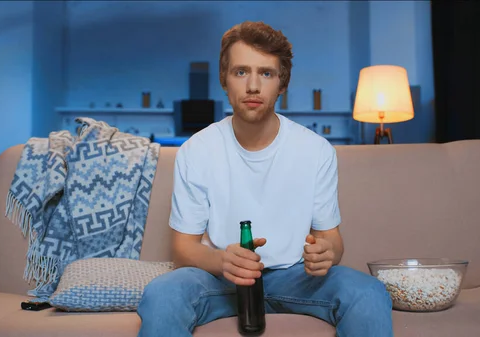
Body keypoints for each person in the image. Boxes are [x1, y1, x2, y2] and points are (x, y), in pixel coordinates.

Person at [136, 21, 393, 337]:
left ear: (282, 84)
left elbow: (331, 239)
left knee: (368, 292)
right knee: (162, 292)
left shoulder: (316, 150)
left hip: (297, 278)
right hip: (221, 279)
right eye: (241, 72)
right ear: (224, 80)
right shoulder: (196, 150)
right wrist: (221, 260)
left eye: (266, 73)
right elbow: (183, 248)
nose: (253, 86)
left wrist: (326, 252)